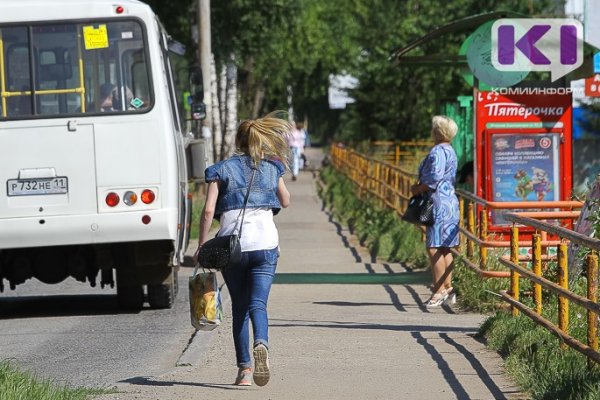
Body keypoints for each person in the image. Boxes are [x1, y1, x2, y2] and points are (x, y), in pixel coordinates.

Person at [195, 113, 291, 387]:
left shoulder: (221, 169)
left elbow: (209, 210)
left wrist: (202, 246)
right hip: (265, 245)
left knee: (240, 309)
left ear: (237, 141)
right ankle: (262, 343)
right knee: (258, 304)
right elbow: (285, 201)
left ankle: (245, 371)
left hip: (233, 249)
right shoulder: (272, 168)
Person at [411, 115, 460, 307]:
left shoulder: (437, 151)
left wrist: (418, 188)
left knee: (433, 247)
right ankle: (447, 286)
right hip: (449, 201)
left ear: (437, 132)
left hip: (437, 202)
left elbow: (434, 177)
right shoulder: (450, 151)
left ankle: (439, 290)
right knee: (445, 246)